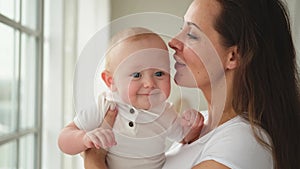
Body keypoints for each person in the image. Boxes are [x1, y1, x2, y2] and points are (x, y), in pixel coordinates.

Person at [83, 0, 300, 168]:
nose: (174, 42)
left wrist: (94, 161)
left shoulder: (241, 143)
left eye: (193, 34)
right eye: (181, 27)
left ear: (232, 57)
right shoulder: (199, 125)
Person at [58, 27, 204, 169]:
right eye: (136, 75)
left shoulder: (165, 112)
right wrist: (84, 138)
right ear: (111, 81)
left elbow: (185, 139)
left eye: (159, 74)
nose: (149, 84)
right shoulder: (106, 106)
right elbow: (63, 140)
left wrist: (193, 125)